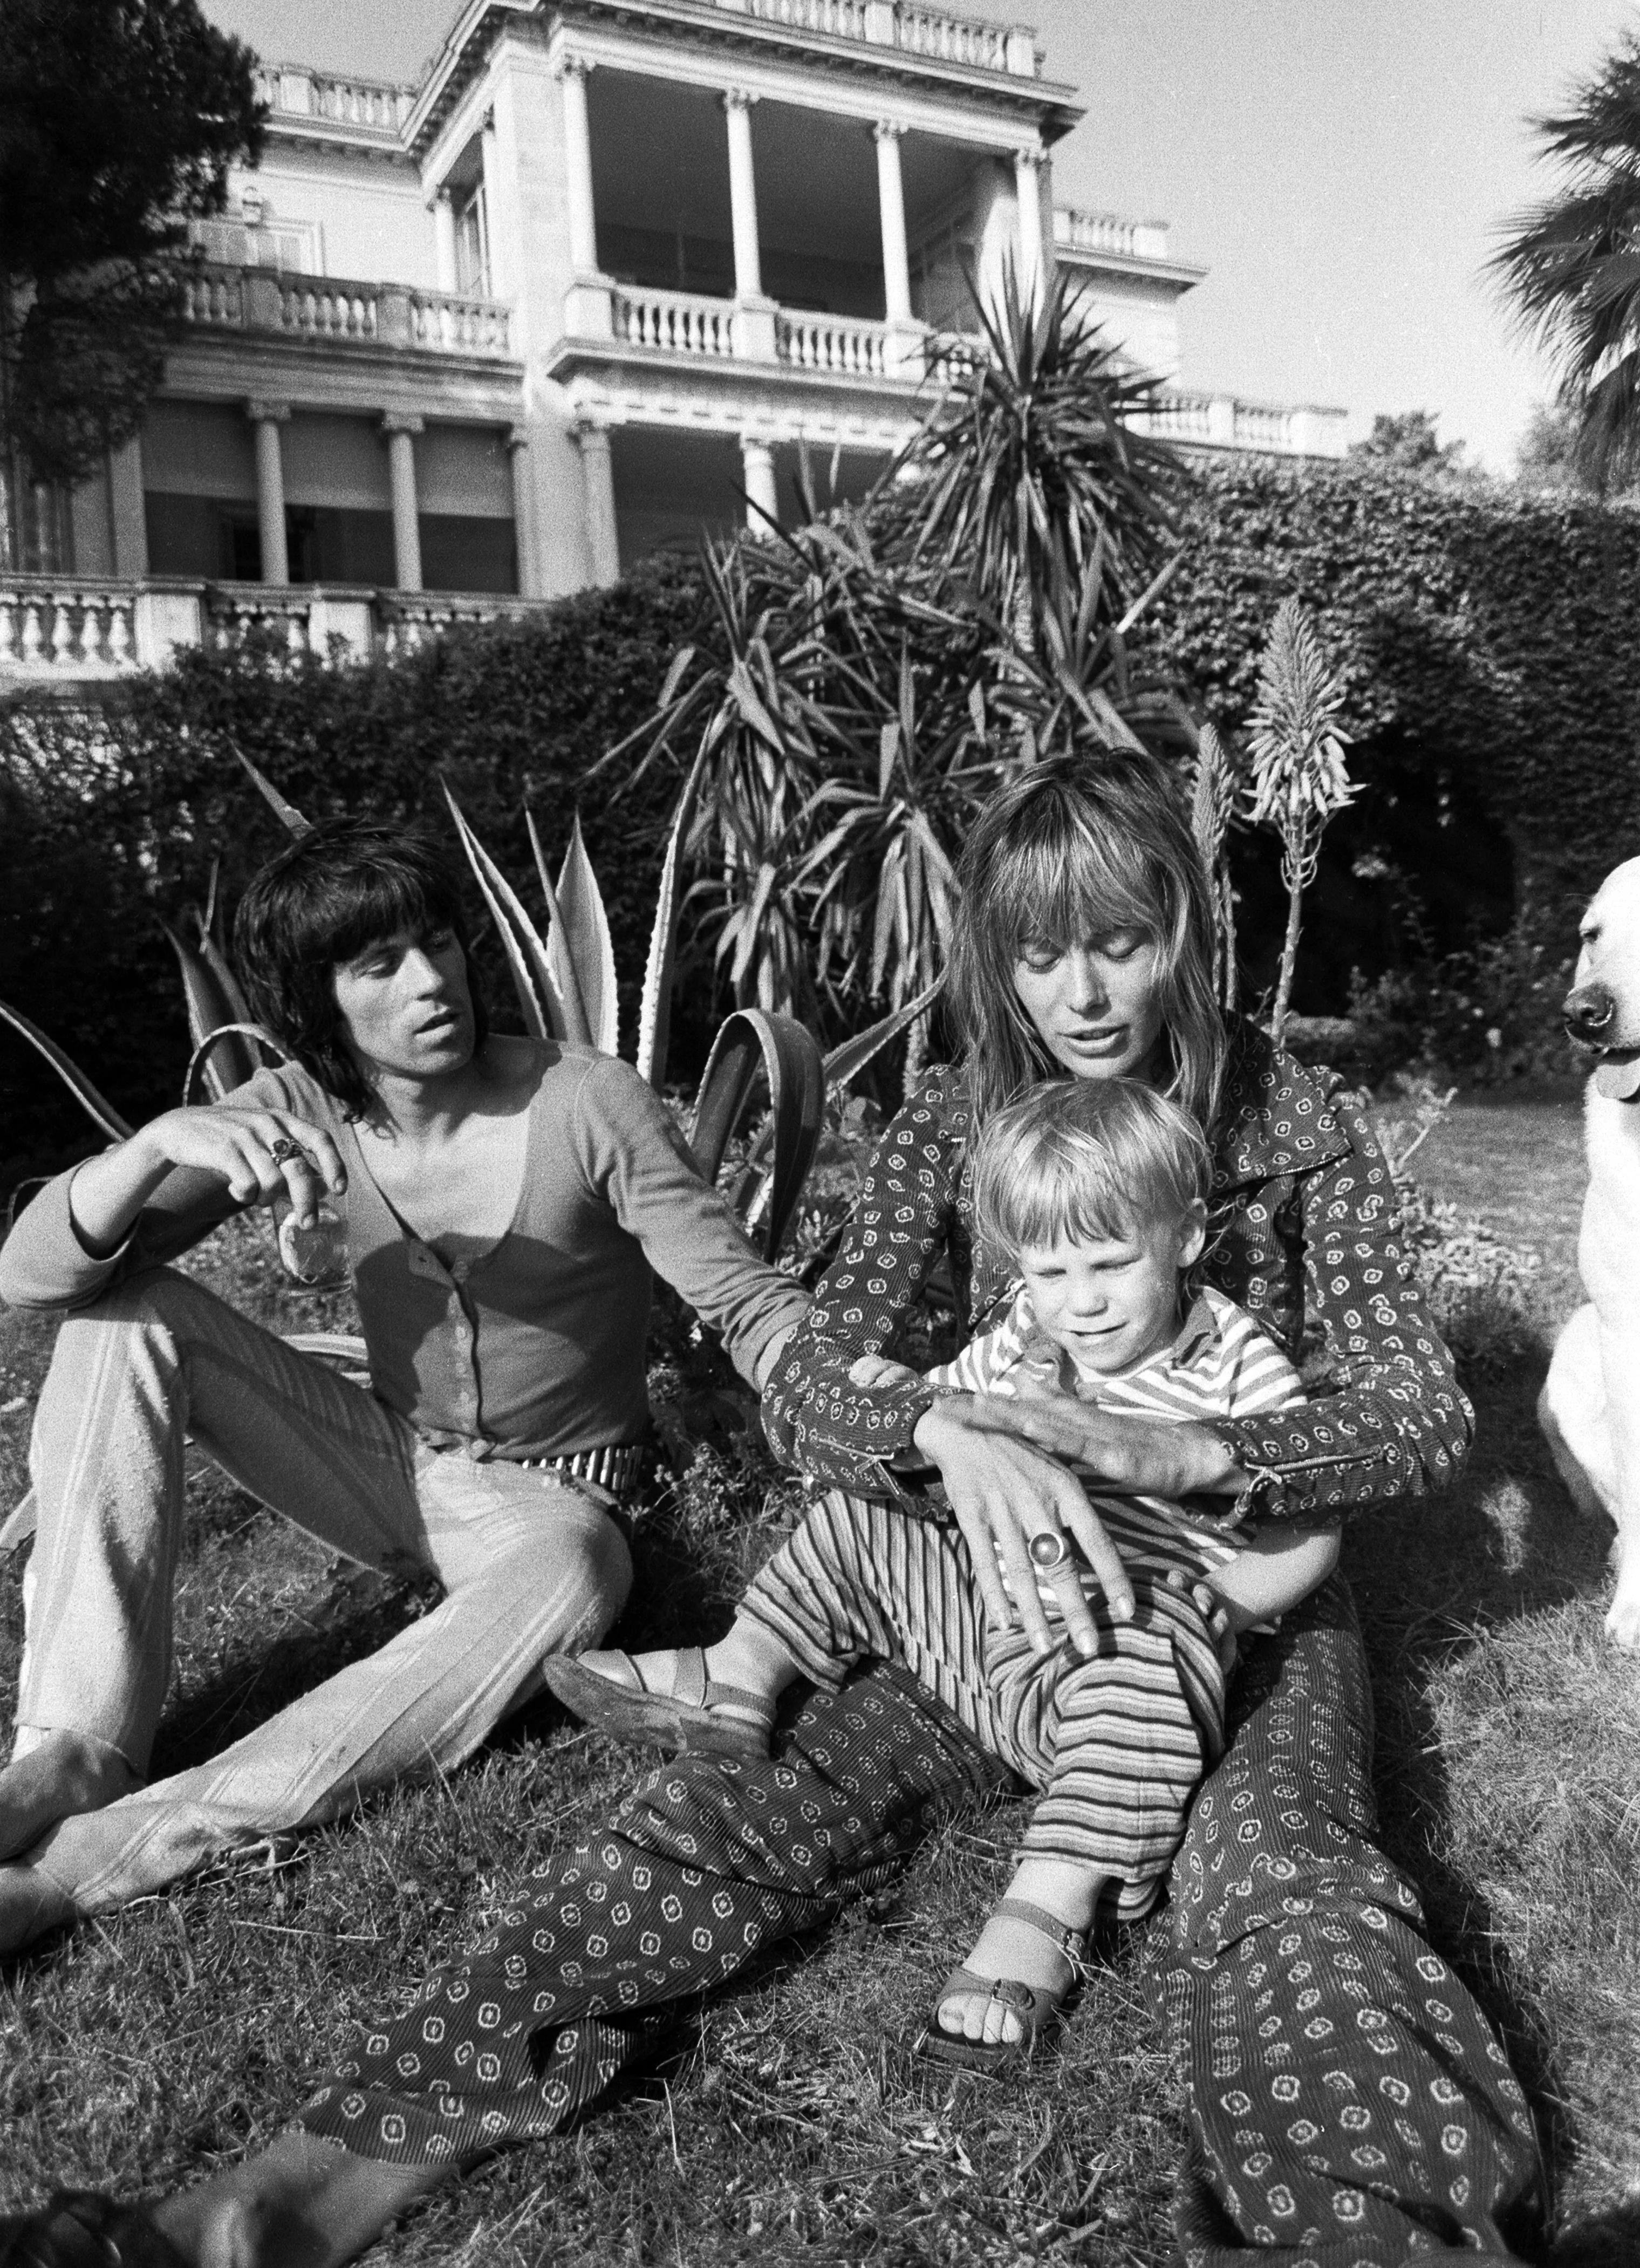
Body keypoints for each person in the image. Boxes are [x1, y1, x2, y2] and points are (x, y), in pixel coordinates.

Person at [0, 754, 1546, 2268]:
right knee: (700, 1827)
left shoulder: (1301, 1134)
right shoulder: (957, 1129)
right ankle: (248, 2216)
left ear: (1187, 938)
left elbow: (1418, 1412)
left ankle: (1395, 2235)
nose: (1080, 996)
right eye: (1037, 952)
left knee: (1289, 1879)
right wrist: (949, 1426)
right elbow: (812, 1377)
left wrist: (1177, 1456)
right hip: (970, 1596)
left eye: (1122, 944)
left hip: (1228, 1613)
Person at [0, 819, 809, 1956]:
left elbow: (741, 1296)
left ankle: (104, 1854)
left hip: (554, 1503)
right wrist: (147, 1151)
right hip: (386, 1463)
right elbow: (32, 1281)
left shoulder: (586, 1102)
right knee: (121, 1313)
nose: (433, 983)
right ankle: (72, 1746)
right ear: (315, 1002)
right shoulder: (301, 1107)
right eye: (378, 966)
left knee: (580, 1561)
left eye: (438, 943)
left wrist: (869, 1396)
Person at [549, 1076, 1338, 2068]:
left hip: (1112, 1676)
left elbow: (1313, 1527)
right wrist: (904, 1395)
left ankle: (1048, 1901)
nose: (1081, 1302)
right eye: (1051, 1272)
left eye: (1111, 1263)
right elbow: (947, 1408)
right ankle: (741, 1673)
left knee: (1147, 1651)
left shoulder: (1237, 1362)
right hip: (982, 1633)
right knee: (861, 1513)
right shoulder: (1025, 1334)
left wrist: (1216, 1609)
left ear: (1184, 1238)